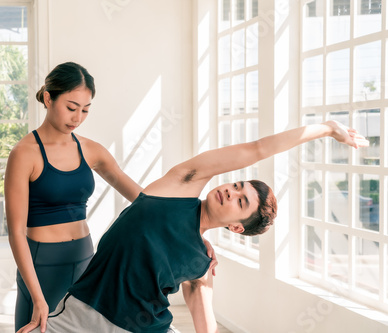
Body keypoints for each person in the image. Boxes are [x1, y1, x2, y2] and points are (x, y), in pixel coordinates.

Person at [23, 120, 368, 333]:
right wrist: (326, 129)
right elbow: (258, 148)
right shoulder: (183, 183)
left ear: (236, 227)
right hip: (84, 313)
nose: (230, 191)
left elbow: (205, 320)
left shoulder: (201, 262)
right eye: (236, 185)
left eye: (240, 201)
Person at [5, 62, 144, 332]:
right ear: (48, 98)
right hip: (41, 266)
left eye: (85, 110)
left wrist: (194, 231)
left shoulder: (91, 150)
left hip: (84, 259)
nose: (78, 117)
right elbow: (16, 232)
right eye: (71, 107)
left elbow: (144, 200)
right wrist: (37, 297)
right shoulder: (24, 153)